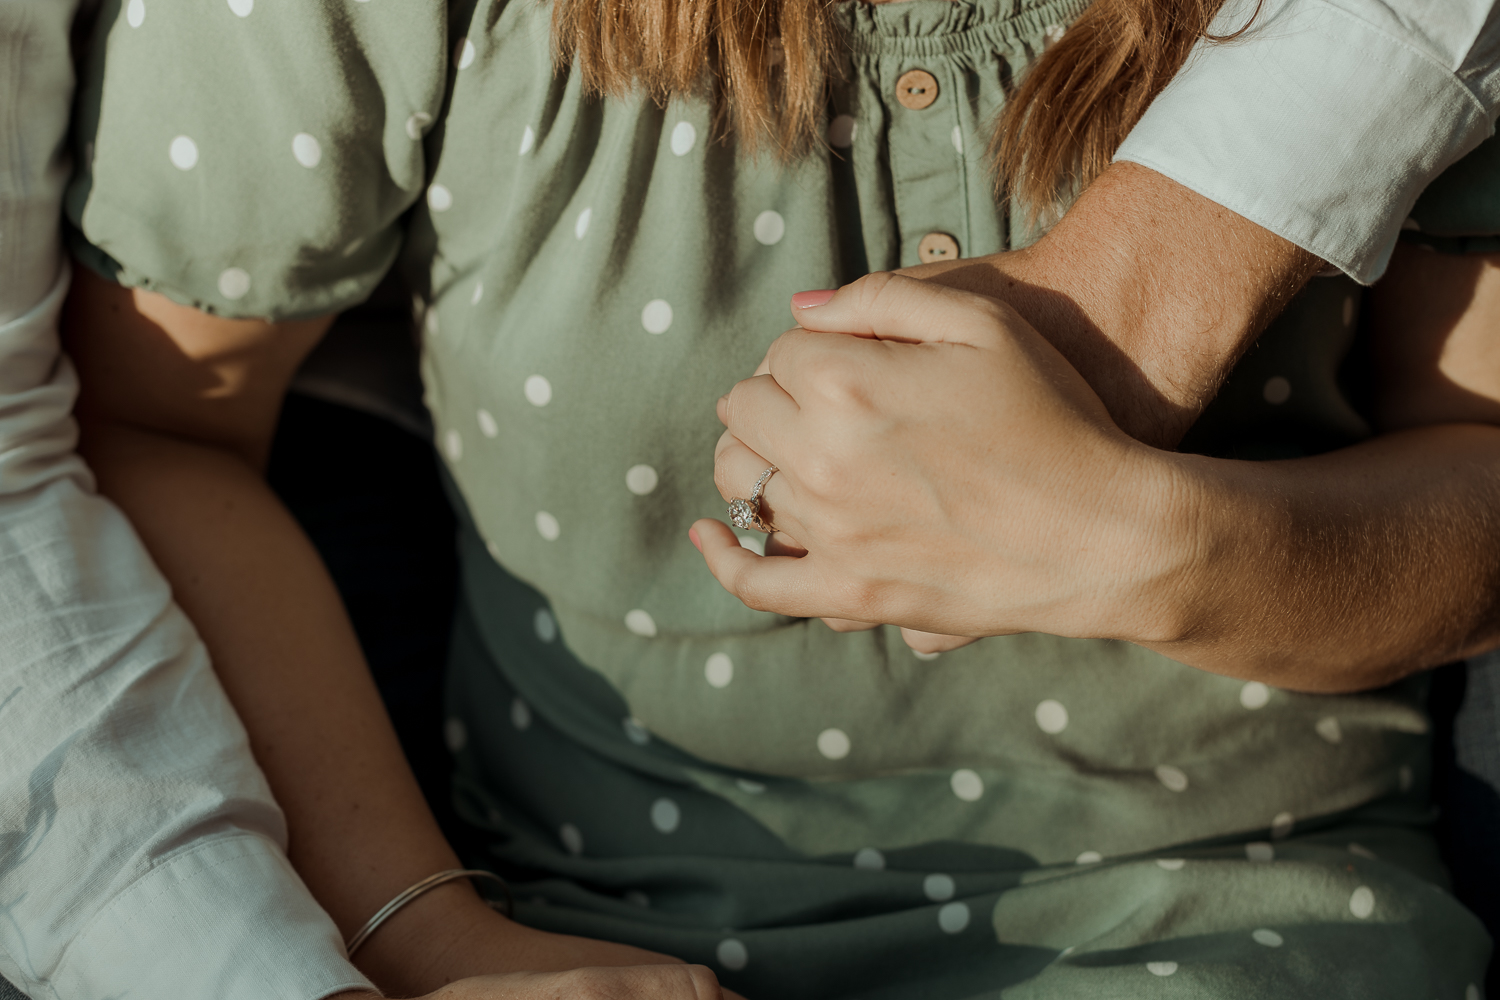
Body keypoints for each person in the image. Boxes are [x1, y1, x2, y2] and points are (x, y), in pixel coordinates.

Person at [5, 3, 1500, 1000]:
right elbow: (161, 429)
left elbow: (1476, 473)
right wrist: (429, 934)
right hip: (582, 933)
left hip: (1262, 912)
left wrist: (1158, 552)